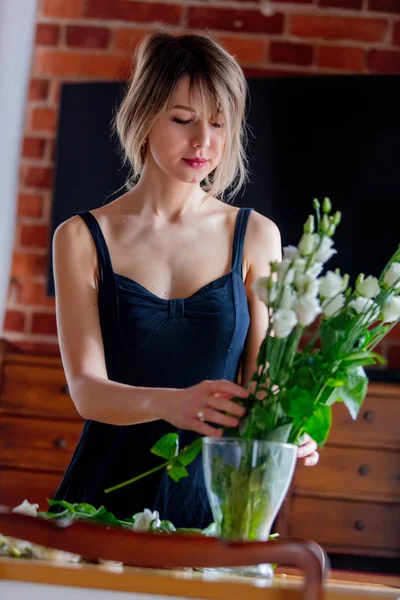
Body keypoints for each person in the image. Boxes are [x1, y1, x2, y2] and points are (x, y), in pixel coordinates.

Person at [52, 30, 319, 529]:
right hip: (99, 502)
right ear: (143, 116)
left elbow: (262, 383)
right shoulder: (81, 237)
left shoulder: (255, 236)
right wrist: (170, 403)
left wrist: (290, 426)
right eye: (183, 119)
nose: (203, 141)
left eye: (219, 124)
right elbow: (87, 390)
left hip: (214, 507)